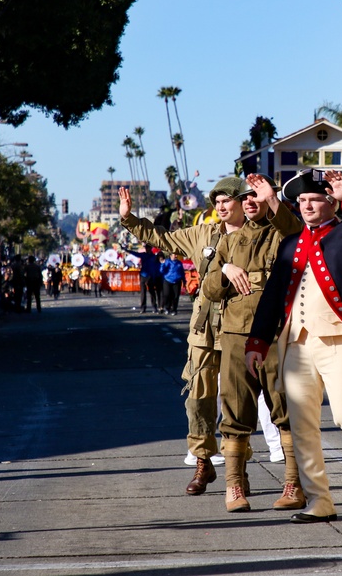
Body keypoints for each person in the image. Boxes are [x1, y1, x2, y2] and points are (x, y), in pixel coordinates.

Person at [245, 169, 342, 523]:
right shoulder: (291, 243)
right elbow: (272, 296)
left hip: (340, 340)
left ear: (330, 203)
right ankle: (320, 501)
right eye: (301, 201)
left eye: (314, 199)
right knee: (302, 427)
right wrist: (259, 341)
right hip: (297, 345)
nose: (307, 206)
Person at [119, 176, 245, 496]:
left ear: (243, 201)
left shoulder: (256, 234)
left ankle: (237, 469)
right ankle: (203, 461)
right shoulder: (203, 232)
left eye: (227, 200)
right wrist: (128, 218)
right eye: (216, 201)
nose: (220, 206)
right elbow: (163, 238)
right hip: (204, 330)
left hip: (240, 328)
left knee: (236, 403)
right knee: (198, 400)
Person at [201, 174, 304, 513]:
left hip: (276, 335)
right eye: (244, 197)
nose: (249, 201)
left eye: (256, 196)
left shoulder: (283, 235)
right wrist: (225, 270)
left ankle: (293, 484)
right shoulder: (228, 242)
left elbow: (295, 232)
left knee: (285, 408)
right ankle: (234, 487)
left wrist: (273, 200)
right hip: (234, 336)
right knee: (234, 411)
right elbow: (209, 288)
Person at [126, 243, 161, 314]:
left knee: (152, 292)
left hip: (150, 276)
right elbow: (135, 254)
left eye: (148, 248)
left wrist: (155, 276)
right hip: (143, 275)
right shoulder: (144, 255)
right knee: (143, 292)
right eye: (146, 248)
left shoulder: (154, 257)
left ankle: (154, 306)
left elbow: (156, 267)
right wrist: (127, 250)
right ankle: (143, 307)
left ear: (150, 248)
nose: (146, 249)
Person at [160, 251, 184, 316]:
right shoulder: (167, 262)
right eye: (174, 255)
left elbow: (182, 272)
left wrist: (184, 281)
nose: (176, 256)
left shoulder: (179, 263)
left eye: (176, 255)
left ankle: (174, 309)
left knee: (176, 296)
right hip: (168, 280)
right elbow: (161, 271)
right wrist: (162, 264)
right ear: (170, 256)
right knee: (166, 295)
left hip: (177, 281)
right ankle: (167, 308)